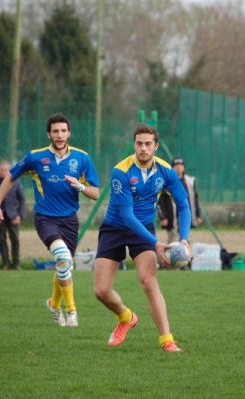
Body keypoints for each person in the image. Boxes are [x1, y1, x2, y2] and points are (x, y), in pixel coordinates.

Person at [0, 113, 99, 327]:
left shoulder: (82, 158)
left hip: (70, 220)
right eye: (55, 131)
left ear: (69, 133)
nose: (59, 135)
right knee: (63, 257)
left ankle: (53, 304)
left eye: (63, 131)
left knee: (64, 265)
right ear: (49, 134)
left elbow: (95, 193)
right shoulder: (35, 157)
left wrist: (81, 186)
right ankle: (72, 311)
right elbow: (10, 177)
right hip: (45, 219)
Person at [93, 124, 192, 352]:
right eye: (139, 144)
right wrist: (155, 243)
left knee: (149, 281)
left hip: (144, 228)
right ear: (134, 145)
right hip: (115, 228)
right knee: (101, 291)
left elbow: (184, 205)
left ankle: (167, 340)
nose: (143, 148)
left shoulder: (166, 171)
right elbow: (127, 216)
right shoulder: (121, 171)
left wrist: (184, 239)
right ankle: (126, 317)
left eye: (148, 144)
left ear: (156, 146)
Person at [157, 157, 202, 243]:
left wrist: (197, 215)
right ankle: (170, 255)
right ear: (172, 167)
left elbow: (195, 198)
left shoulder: (190, 181)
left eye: (181, 165)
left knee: (185, 240)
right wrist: (163, 217)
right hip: (171, 216)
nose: (178, 167)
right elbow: (160, 201)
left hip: (185, 214)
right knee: (172, 241)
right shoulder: (166, 181)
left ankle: (186, 256)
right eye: (176, 165)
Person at [0, 160, 25, 271]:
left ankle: (16, 264)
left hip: (13, 216)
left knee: (15, 240)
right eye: (1, 170)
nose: (3, 172)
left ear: (9, 170)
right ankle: (5, 264)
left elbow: (22, 200)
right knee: (2, 241)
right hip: (0, 217)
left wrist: (19, 215)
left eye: (5, 170)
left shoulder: (16, 183)